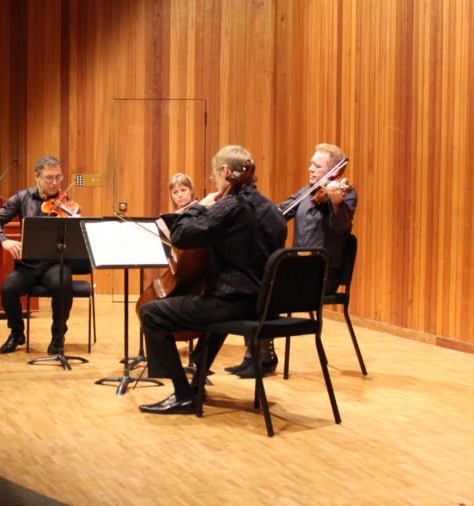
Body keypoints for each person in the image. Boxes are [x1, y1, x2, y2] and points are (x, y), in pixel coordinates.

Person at [138, 145, 287, 414]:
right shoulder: (272, 210)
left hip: (233, 302)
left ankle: (184, 395)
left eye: (215, 176)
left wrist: (199, 207)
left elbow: (181, 235)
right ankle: (197, 382)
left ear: (225, 172)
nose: (215, 182)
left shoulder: (230, 206)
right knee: (213, 313)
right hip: (263, 305)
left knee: (151, 312)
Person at [224, 142, 356, 378]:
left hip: (321, 276)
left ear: (334, 170)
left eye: (317, 165)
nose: (310, 168)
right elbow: (278, 213)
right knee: (248, 283)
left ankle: (264, 358)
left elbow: (341, 227)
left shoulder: (344, 194)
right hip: (297, 272)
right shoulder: (308, 192)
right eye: (311, 163)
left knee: (262, 289)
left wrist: (336, 202)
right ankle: (255, 355)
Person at [0, 156, 75, 355]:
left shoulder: (66, 203)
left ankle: (58, 336)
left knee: (63, 284)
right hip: (28, 265)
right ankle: (17, 333)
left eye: (59, 178)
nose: (55, 183)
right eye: (49, 178)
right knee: (8, 289)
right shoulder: (22, 197)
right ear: (37, 177)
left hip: (54, 263)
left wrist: (76, 222)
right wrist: (4, 240)